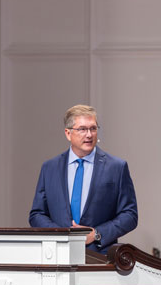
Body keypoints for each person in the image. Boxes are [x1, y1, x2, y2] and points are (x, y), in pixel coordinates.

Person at [29, 105, 138, 253]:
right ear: (68, 133)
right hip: (57, 254)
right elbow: (37, 214)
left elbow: (130, 215)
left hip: (100, 258)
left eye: (93, 128)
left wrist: (97, 234)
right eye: (82, 129)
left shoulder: (116, 167)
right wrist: (61, 234)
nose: (89, 135)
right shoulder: (50, 168)